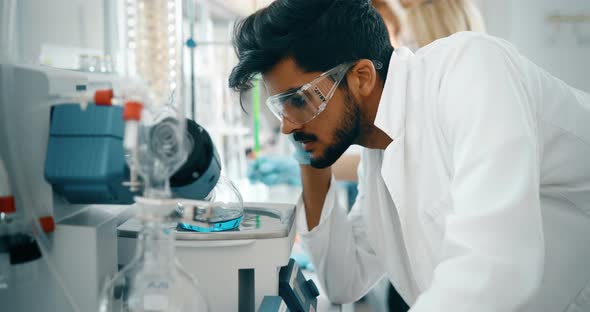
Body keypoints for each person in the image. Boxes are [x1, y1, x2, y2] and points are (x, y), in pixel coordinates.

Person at [229, 0, 590, 311]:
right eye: (281, 108)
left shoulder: (472, 69)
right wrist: (311, 156)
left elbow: (496, 267)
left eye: (298, 99)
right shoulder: (380, 149)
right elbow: (344, 278)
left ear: (362, 77)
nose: (287, 127)